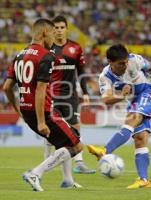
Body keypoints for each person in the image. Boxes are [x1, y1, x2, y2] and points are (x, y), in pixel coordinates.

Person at [3, 18, 83, 191]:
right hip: (44, 112)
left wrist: (18, 110)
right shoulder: (46, 56)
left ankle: (67, 180)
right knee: (76, 145)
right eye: (53, 33)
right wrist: (41, 121)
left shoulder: (20, 55)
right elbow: (40, 90)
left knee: (64, 144)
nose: (54, 38)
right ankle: (35, 173)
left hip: (27, 111)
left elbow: (7, 87)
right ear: (45, 32)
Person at [87, 44, 151, 189]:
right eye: (121, 63)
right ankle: (144, 180)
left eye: (125, 62)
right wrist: (121, 95)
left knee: (132, 118)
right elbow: (106, 100)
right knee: (140, 139)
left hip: (149, 92)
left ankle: (105, 150)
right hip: (134, 101)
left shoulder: (134, 60)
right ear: (110, 62)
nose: (125, 65)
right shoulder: (105, 77)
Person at [45, 15, 95, 174]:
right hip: (51, 95)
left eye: (62, 27)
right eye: (56, 28)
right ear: (52, 30)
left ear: (66, 29)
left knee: (75, 127)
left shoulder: (75, 48)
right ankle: (47, 161)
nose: (59, 31)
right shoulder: (47, 49)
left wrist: (85, 92)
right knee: (49, 132)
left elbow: (81, 72)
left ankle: (79, 162)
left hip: (70, 95)